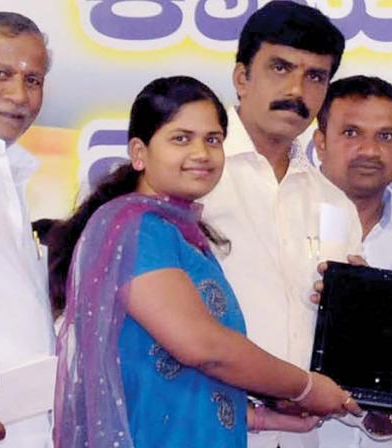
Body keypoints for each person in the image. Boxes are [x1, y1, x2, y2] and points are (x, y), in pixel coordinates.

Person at [50, 76, 360, 448]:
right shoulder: (138, 228)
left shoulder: (182, 233)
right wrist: (304, 387)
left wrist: (263, 417)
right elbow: (203, 348)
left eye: (212, 140)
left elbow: (174, 376)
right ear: (139, 152)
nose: (201, 153)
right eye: (181, 138)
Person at [199, 2, 363, 447]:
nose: (297, 89)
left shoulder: (334, 204)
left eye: (315, 76)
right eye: (280, 67)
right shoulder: (190, 175)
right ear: (241, 78)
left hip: (303, 436)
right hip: (202, 425)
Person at [0, 11, 54, 447]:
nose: (19, 95)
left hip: (12, 427)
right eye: (0, 74)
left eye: (33, 79)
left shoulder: (8, 168)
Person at [315, 75, 392, 273]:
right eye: (351, 133)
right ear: (321, 143)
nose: (370, 151)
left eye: (385, 136)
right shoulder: (279, 221)